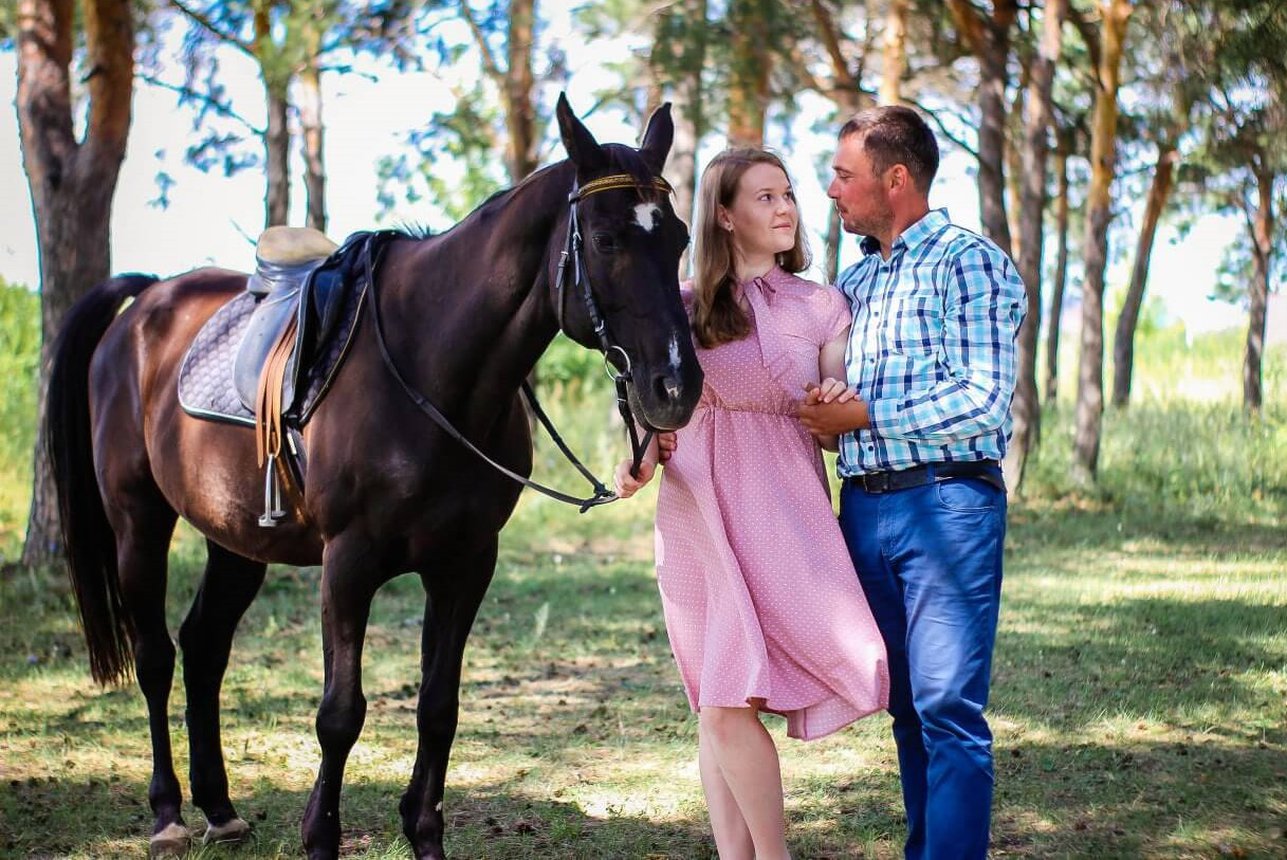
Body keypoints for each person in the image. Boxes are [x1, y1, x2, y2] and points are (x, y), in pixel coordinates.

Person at [613, 147, 889, 860]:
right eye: (764, 197)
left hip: (784, 504)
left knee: (729, 701)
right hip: (698, 506)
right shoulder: (678, 306)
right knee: (720, 699)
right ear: (725, 216)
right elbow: (651, 407)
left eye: (788, 193)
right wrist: (642, 453)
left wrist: (834, 400)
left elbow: (833, 423)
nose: (785, 207)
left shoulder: (823, 305)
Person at [798, 106, 1027, 859]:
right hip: (862, 512)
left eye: (842, 174)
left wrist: (861, 414)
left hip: (947, 503)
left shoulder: (971, 262)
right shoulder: (851, 282)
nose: (830, 189)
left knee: (946, 708)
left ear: (894, 179)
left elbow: (979, 399)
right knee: (904, 707)